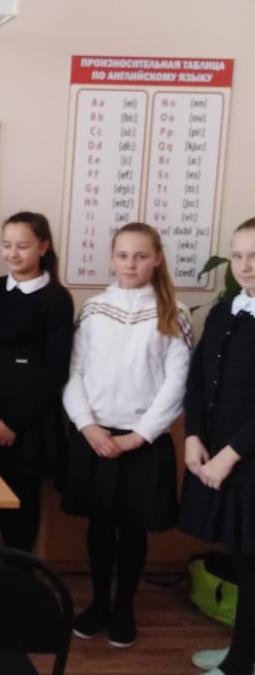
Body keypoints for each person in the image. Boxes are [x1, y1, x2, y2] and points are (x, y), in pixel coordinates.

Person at [61, 222, 192, 648]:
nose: (130, 264)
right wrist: (87, 425)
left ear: (157, 259)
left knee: (133, 528)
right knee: (100, 525)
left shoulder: (174, 312)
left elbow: (177, 383)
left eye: (140, 256)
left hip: (142, 442)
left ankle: (124, 608)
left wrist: (139, 436)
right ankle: (99, 602)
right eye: (122, 256)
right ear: (112, 259)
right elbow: (73, 372)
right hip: (95, 437)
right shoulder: (95, 309)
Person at [0, 211, 74, 553]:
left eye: (22, 246)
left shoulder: (56, 299)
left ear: (43, 246)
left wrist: (14, 422)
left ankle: (20, 568)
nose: (12, 253)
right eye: (7, 245)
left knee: (22, 499)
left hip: (27, 422)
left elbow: (55, 370)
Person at [178, 218, 255, 675]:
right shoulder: (227, 310)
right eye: (238, 255)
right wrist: (192, 436)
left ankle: (241, 662)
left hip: (245, 458)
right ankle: (241, 653)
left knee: (252, 562)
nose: (245, 265)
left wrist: (230, 455)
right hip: (220, 452)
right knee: (240, 557)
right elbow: (198, 377)